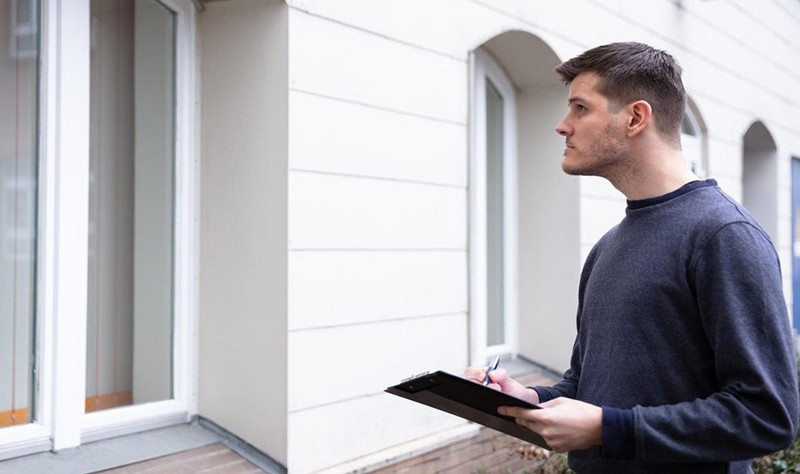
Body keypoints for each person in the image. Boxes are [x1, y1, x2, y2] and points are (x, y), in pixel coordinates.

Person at [465, 42, 799, 473]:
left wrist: (610, 428)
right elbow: (587, 384)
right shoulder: (608, 246)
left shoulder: (723, 235)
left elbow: (768, 416)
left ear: (636, 118)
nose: (562, 126)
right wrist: (531, 398)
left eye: (580, 108)